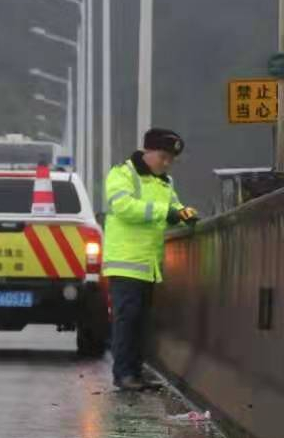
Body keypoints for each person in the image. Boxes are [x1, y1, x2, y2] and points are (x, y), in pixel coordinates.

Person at [103, 128, 198, 391]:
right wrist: (164, 212)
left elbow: (174, 206)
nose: (166, 163)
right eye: (162, 157)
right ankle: (123, 374)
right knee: (127, 319)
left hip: (149, 264)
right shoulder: (123, 174)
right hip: (126, 262)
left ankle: (135, 371)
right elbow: (123, 207)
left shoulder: (164, 182)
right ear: (147, 151)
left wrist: (185, 213)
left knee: (141, 321)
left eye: (170, 160)